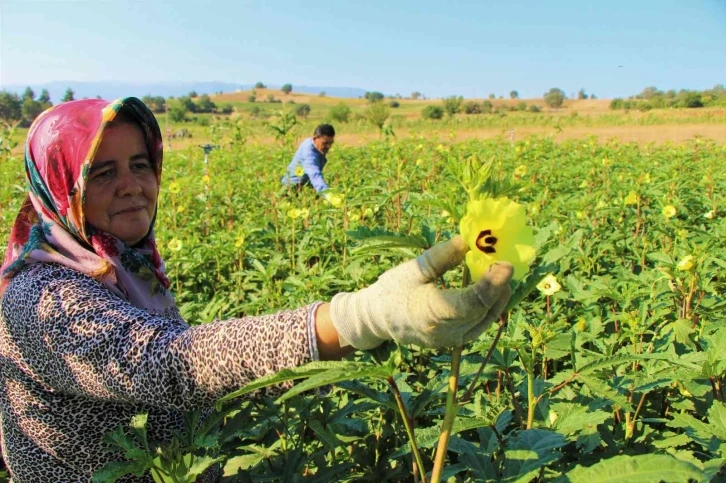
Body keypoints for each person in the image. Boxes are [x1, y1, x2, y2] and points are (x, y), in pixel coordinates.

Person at [0, 97, 514, 482]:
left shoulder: (120, 264)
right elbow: (166, 364)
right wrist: (362, 316)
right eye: (102, 172)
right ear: (59, 185)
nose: (132, 184)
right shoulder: (41, 296)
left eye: (140, 164)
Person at [281, 124, 336, 199]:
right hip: (291, 188)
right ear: (315, 138)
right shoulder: (308, 152)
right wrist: (329, 195)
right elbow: (314, 174)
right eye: (325, 143)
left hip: (305, 185)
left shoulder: (316, 146)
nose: (328, 146)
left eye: (331, 143)